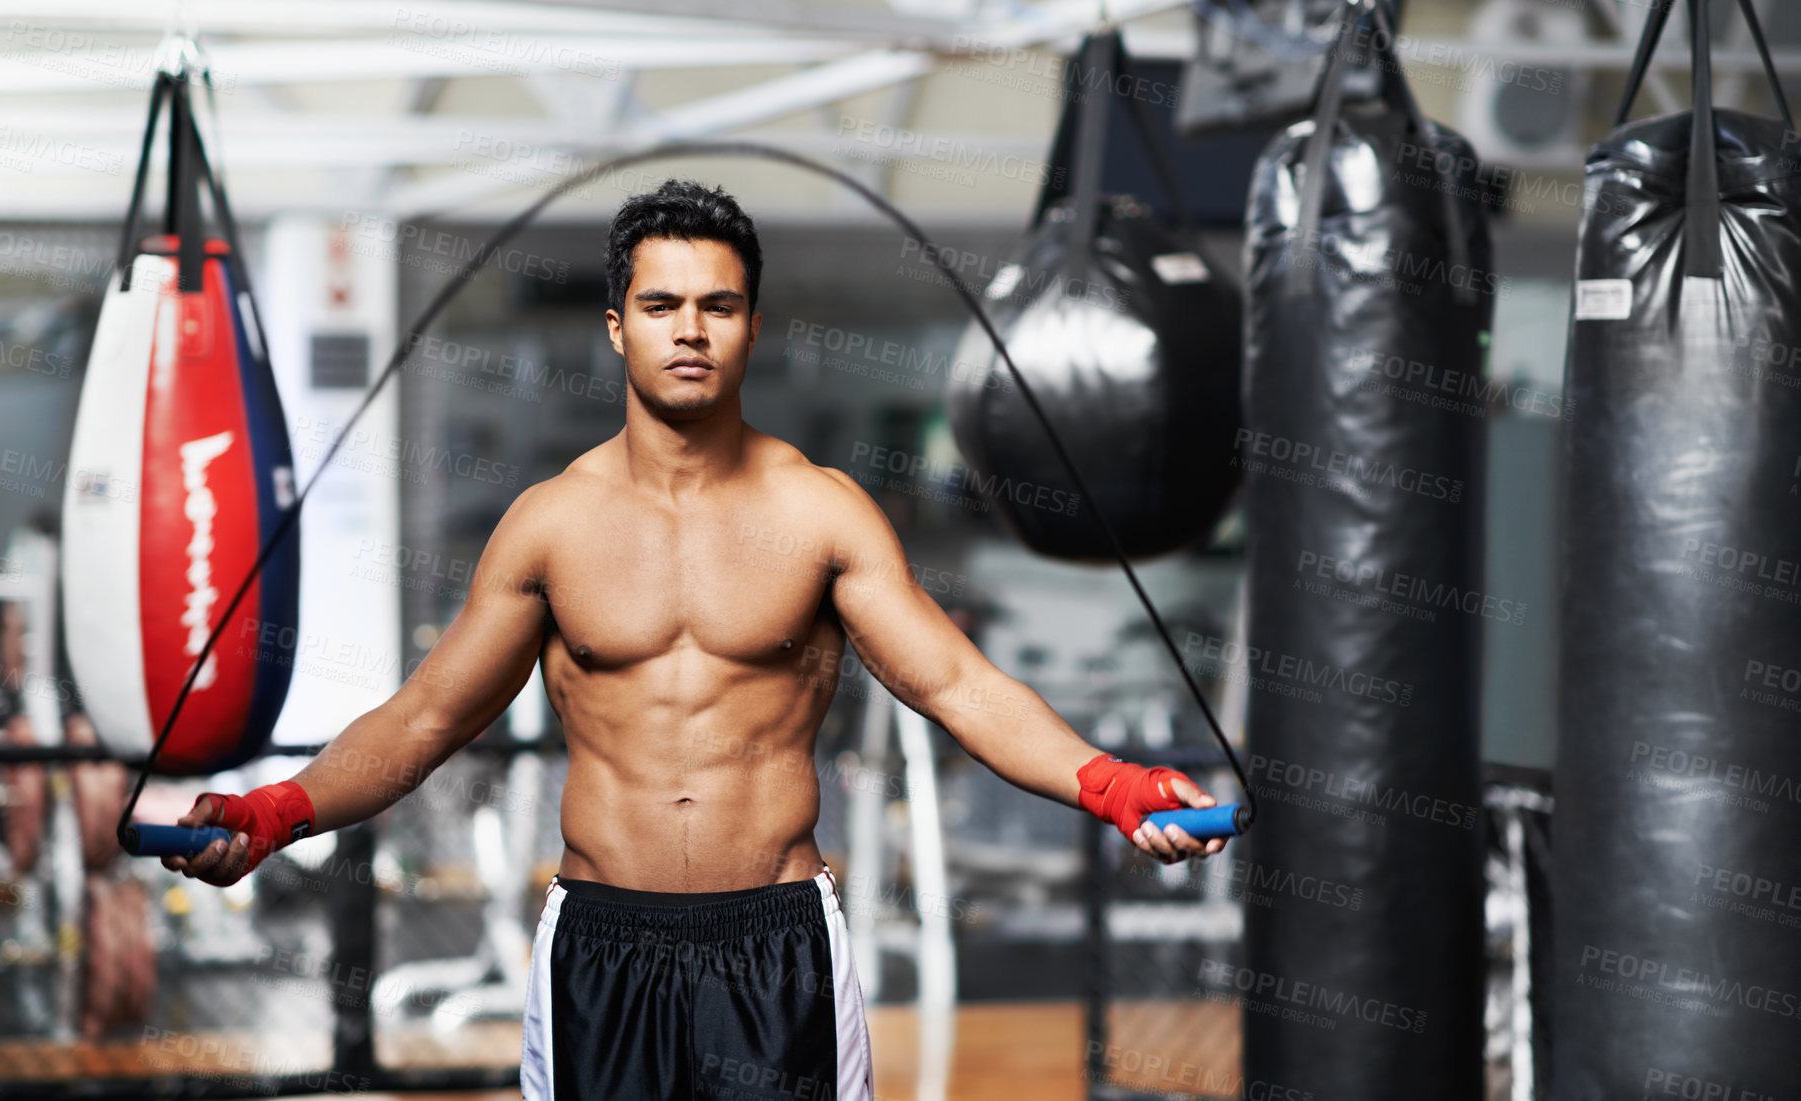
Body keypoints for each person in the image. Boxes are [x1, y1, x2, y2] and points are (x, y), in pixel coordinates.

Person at [161, 179, 1228, 1100]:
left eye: (718, 305)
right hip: (598, 941)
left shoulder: (822, 514)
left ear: (752, 324)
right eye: (661, 304)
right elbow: (428, 716)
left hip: (776, 944)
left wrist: (1112, 785)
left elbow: (955, 683)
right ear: (617, 326)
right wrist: (276, 810)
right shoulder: (551, 524)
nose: (689, 329)